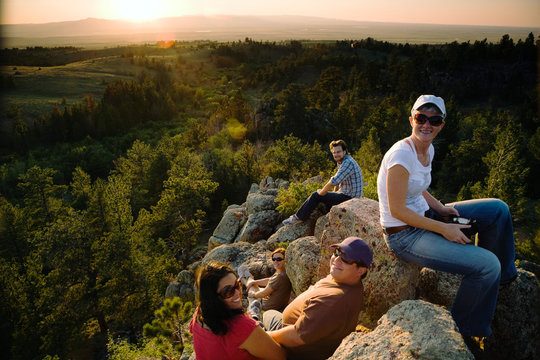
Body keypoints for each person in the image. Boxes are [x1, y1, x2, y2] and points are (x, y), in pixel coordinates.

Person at [376, 94, 517, 354]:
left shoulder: (427, 148)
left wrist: (439, 207)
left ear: (441, 124)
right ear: (411, 119)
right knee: (486, 265)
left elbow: (416, 188)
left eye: (434, 119)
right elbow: (397, 209)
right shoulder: (401, 155)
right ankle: (465, 330)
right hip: (404, 236)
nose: (426, 124)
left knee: (498, 209)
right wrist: (444, 228)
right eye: (421, 118)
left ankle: (504, 279)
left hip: (427, 218)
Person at [263, 237, 372, 360]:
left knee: (266, 315)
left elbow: (296, 336)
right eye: (337, 252)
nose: (336, 259)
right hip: (298, 331)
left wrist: (264, 336)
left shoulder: (333, 301)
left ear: (361, 271)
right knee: (268, 314)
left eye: (346, 258)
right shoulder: (347, 280)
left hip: (292, 349)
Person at [189, 261, 286, 360]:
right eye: (228, 291)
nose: (237, 293)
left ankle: (254, 312)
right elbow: (280, 356)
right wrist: (264, 336)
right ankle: (254, 313)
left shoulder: (200, 314)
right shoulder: (240, 326)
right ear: (213, 298)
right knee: (276, 316)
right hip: (254, 333)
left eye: (237, 285)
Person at [282, 140, 363, 225]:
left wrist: (321, 193)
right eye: (334, 153)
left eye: (338, 152)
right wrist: (333, 193)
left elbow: (333, 182)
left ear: (344, 151)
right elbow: (339, 179)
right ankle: (330, 221)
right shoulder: (343, 161)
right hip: (348, 195)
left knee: (315, 196)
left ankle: (298, 218)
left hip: (351, 198)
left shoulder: (347, 163)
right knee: (327, 198)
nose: (336, 155)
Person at [245, 248, 292, 312]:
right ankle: (248, 280)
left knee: (252, 289)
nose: (275, 261)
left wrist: (253, 294)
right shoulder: (284, 271)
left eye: (279, 259)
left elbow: (263, 294)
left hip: (268, 307)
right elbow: (270, 280)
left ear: (285, 260)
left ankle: (253, 311)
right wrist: (255, 282)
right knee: (253, 284)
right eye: (274, 259)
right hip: (279, 305)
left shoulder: (280, 276)